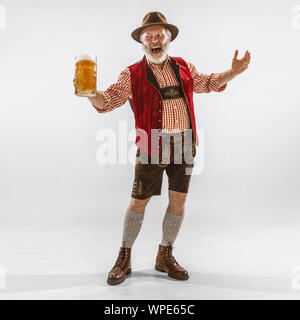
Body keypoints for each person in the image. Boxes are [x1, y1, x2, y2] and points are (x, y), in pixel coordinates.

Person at [74, 11, 251, 285]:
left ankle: (164, 254)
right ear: (141, 41)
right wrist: (90, 94)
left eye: (160, 35)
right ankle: (125, 256)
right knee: (139, 201)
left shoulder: (184, 67)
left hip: (185, 142)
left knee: (178, 200)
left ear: (168, 38)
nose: (155, 40)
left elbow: (209, 83)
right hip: (151, 143)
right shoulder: (131, 74)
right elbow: (106, 101)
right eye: (149, 36)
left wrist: (234, 72)